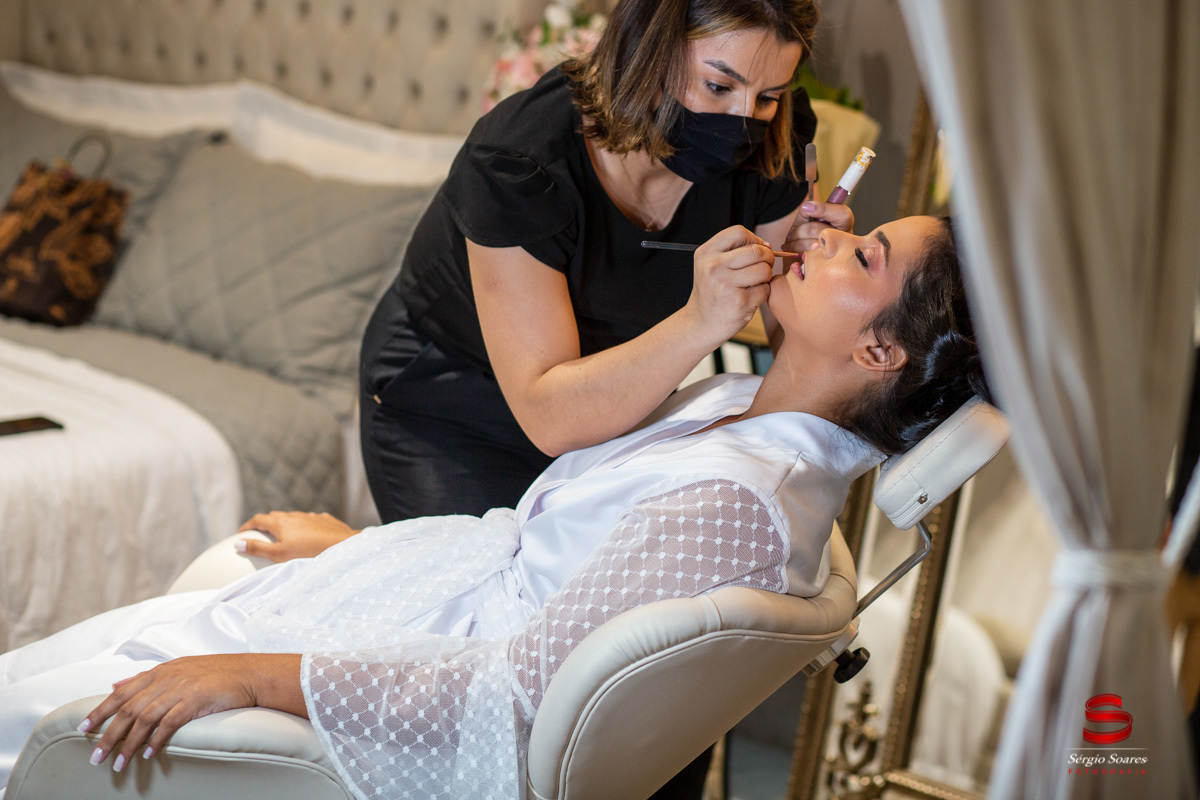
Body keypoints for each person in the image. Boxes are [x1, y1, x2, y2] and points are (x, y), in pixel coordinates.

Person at [0, 216, 990, 799]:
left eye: (863, 257)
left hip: (424, 687)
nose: (825, 236)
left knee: (27, 716)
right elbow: (560, 560)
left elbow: (519, 692)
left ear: (879, 352)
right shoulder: (743, 407)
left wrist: (250, 676)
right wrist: (365, 551)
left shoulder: (742, 502)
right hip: (423, 611)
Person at [359, 0, 854, 524]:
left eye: (768, 96)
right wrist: (701, 322)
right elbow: (550, 419)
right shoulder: (519, 165)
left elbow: (794, 340)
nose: (743, 120)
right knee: (489, 569)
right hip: (453, 405)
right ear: (649, 50)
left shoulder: (773, 141)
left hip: (619, 405)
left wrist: (824, 275)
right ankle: (327, 543)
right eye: (718, 86)